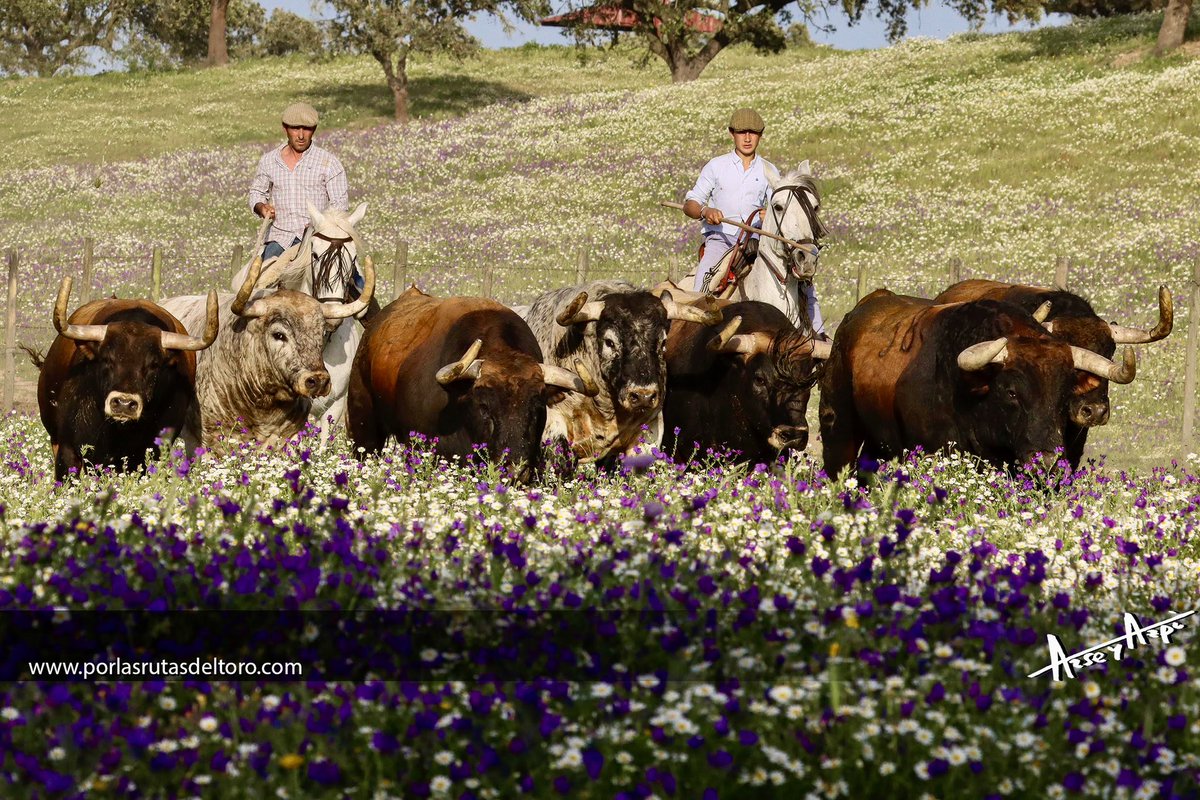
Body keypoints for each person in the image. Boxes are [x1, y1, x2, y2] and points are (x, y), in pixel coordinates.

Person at [683, 108, 824, 334]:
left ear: (760, 135)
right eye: (742, 132)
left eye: (753, 133)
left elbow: (779, 207)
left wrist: (767, 214)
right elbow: (690, 203)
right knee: (705, 280)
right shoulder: (716, 166)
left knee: (804, 280)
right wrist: (705, 210)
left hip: (758, 240)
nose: (747, 138)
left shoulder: (768, 170)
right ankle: (691, 332)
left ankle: (819, 335)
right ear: (732, 134)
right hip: (721, 239)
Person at [249, 102, 350, 263]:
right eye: (295, 128)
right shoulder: (269, 161)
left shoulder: (329, 162)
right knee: (260, 280)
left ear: (314, 130)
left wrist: (321, 223)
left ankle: (362, 287)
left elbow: (340, 204)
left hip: (319, 238)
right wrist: (261, 207)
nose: (301, 135)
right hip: (281, 238)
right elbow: (256, 193)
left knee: (353, 279)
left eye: (307, 129)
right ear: (285, 128)